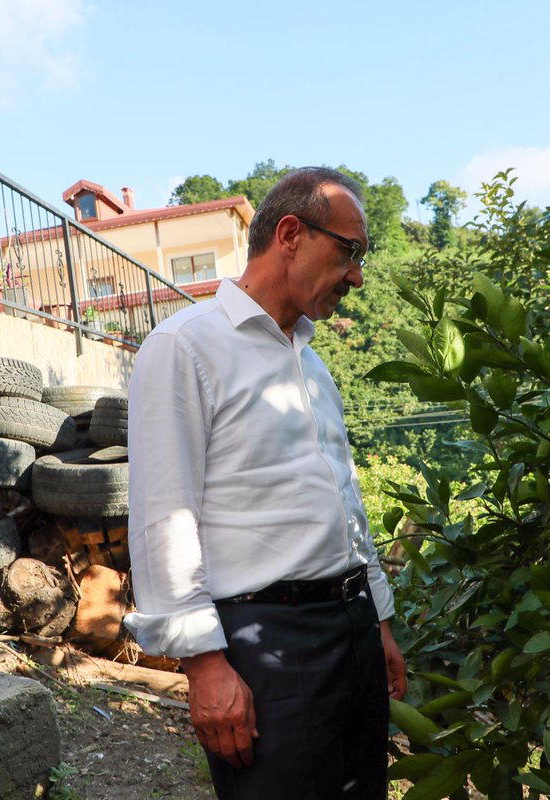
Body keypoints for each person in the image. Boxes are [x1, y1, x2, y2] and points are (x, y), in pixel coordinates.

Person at [125, 167, 407, 799]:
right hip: (271, 644)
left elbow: (345, 501)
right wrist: (203, 664)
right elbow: (163, 516)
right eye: (349, 251)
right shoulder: (184, 347)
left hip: (352, 628)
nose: (357, 276)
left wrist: (379, 622)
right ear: (290, 233)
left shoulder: (310, 363)